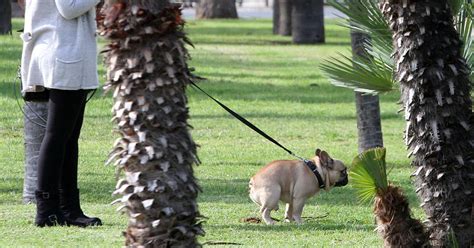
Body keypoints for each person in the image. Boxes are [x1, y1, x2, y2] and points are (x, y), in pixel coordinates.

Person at [19, 0, 102, 227]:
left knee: (68, 138)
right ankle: (47, 210)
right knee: (57, 136)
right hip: (63, 54)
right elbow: (68, 7)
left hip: (68, 53)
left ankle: (68, 208)